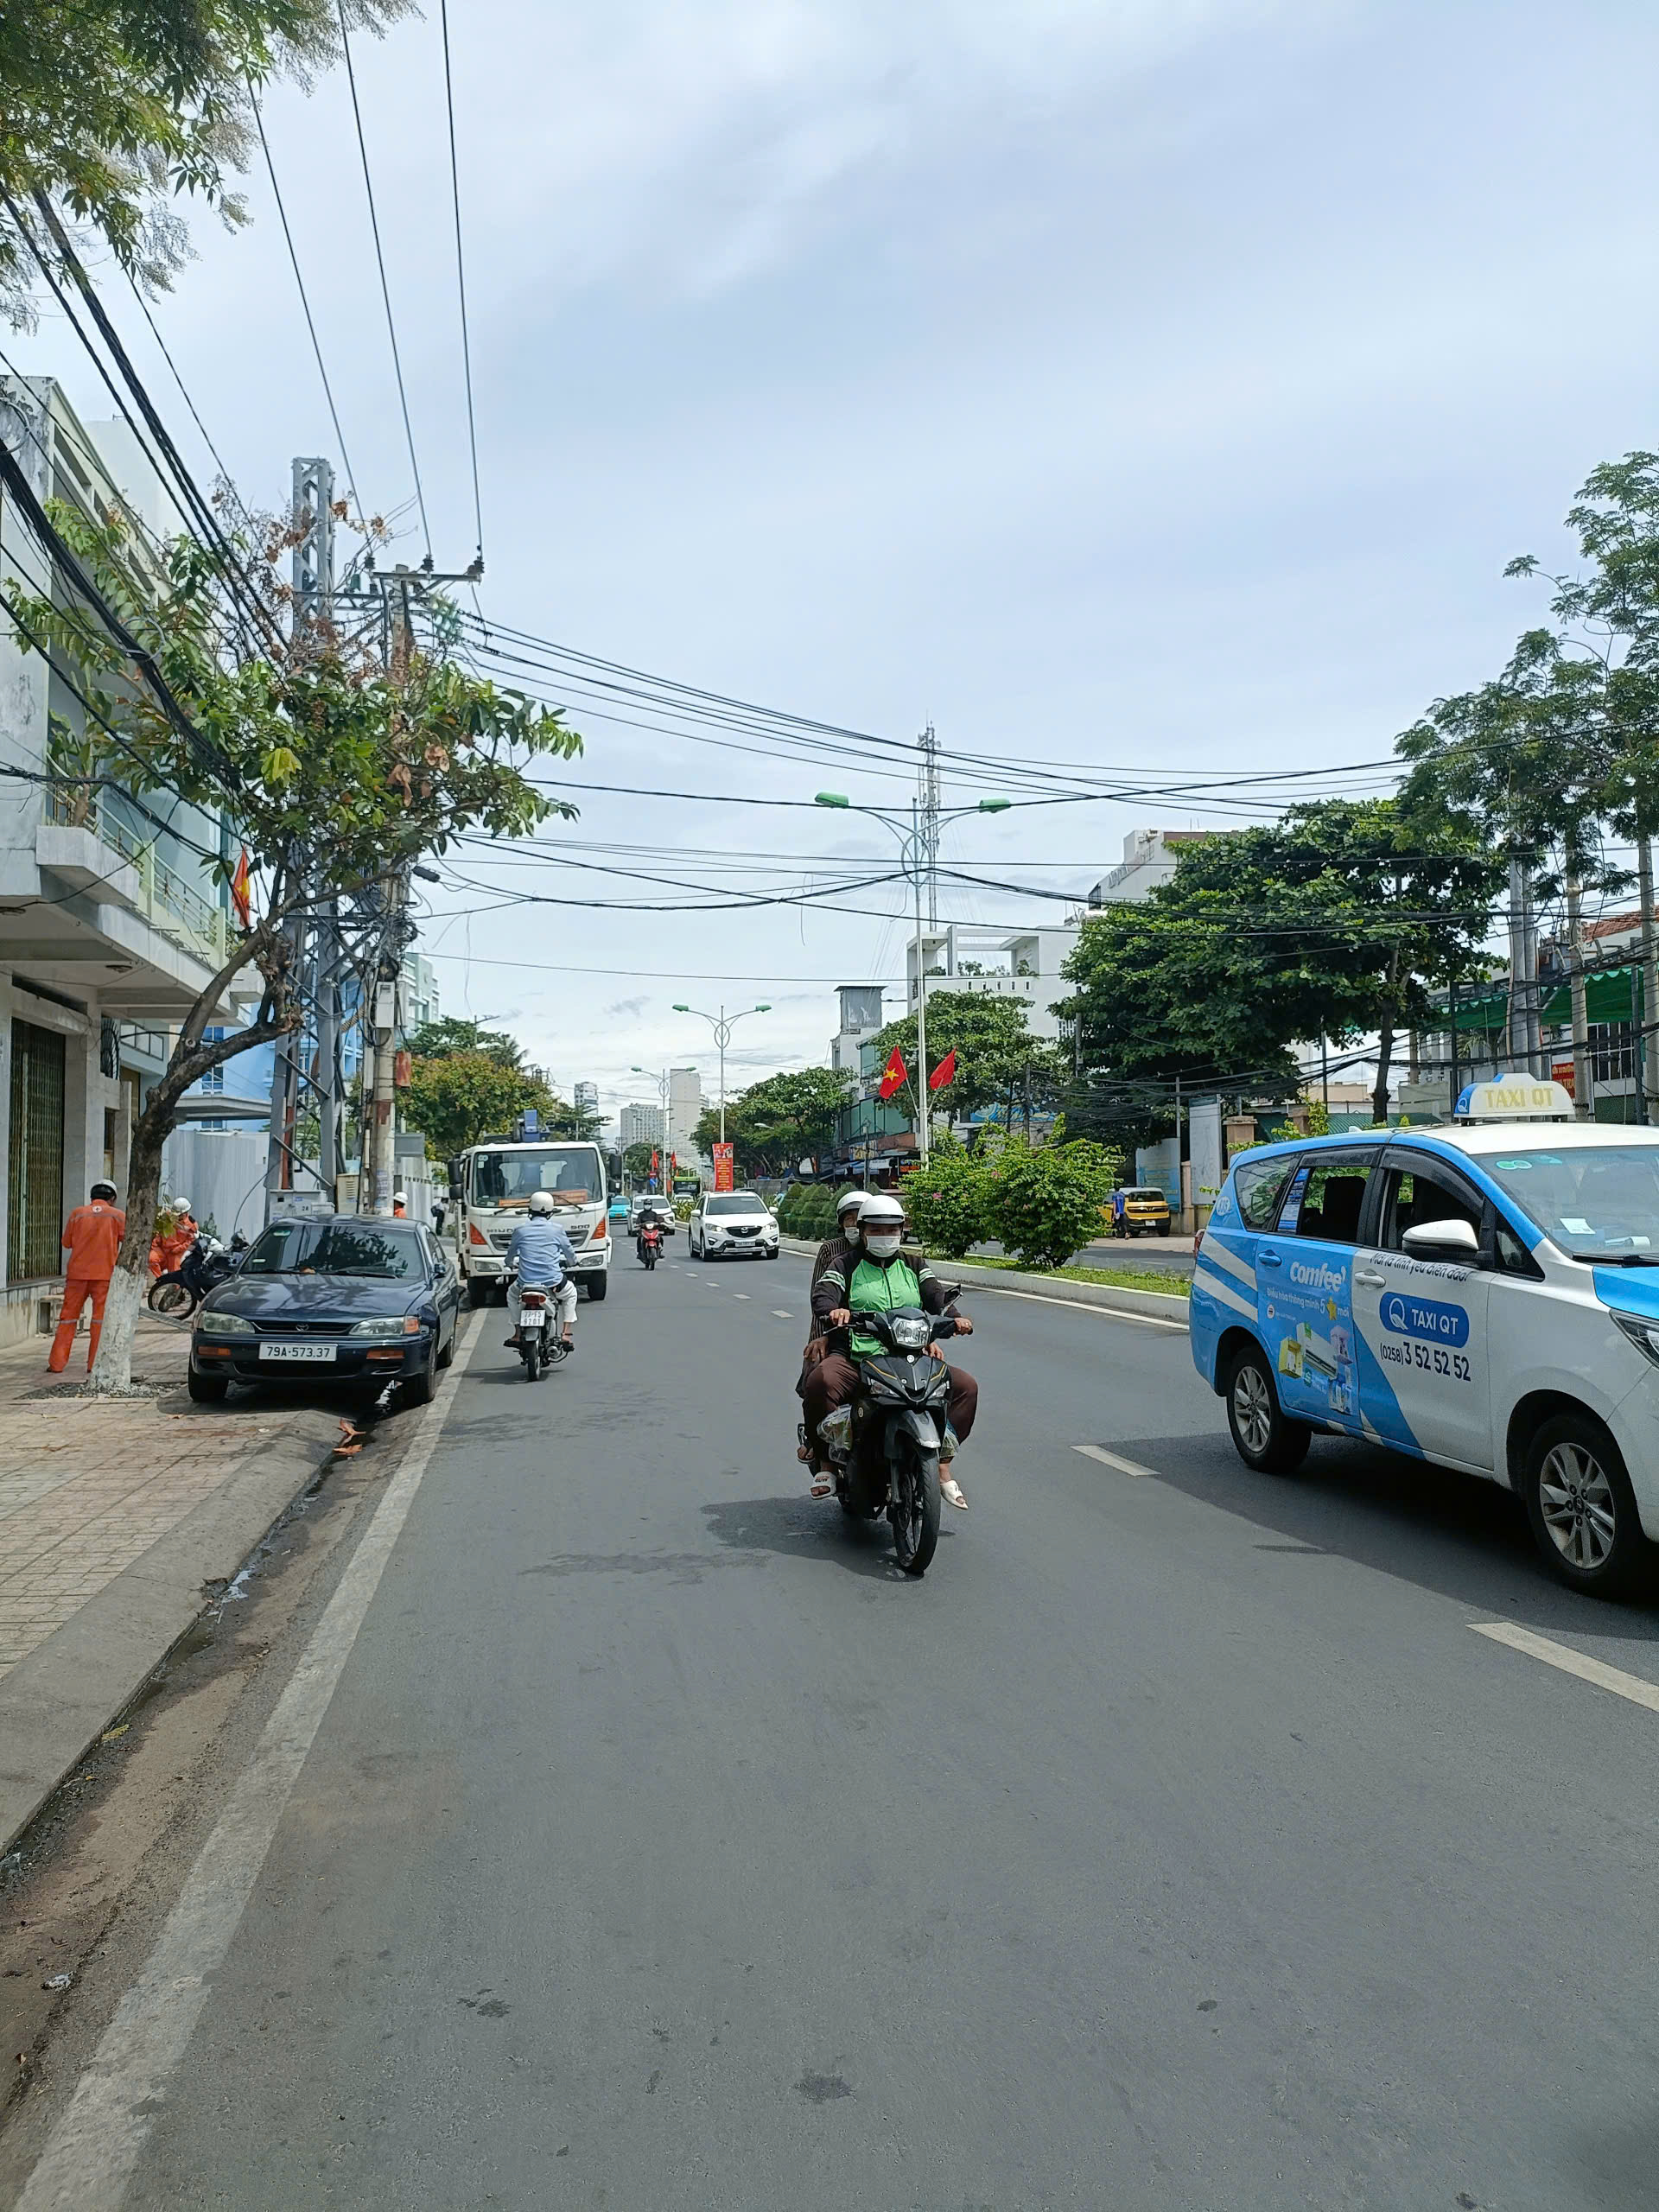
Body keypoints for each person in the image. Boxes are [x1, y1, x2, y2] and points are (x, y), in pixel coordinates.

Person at [803, 1191, 976, 1510]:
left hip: (908, 1355)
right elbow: (825, 1292)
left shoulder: (913, 1263)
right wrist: (833, 1311)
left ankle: (942, 1463)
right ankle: (827, 1464)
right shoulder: (845, 1263)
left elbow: (935, 1297)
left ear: (901, 1231)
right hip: (857, 1355)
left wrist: (955, 1319)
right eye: (877, 1231)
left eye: (891, 1230)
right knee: (821, 1381)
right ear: (864, 1232)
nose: (885, 1236)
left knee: (965, 1387)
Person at [48, 1179, 126, 1375]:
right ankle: (94, 1364)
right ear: (112, 1198)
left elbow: (66, 1243)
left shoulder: (77, 1215)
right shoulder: (117, 1216)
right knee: (99, 1321)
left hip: (77, 1275)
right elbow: (127, 1240)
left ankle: (57, 1364)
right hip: (104, 1275)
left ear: (92, 1197)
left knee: (67, 1319)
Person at [505, 1189, 578, 1351]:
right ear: (551, 1211)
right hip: (554, 1283)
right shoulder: (557, 1229)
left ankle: (517, 1332)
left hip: (525, 1284)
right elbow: (569, 1252)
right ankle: (566, 1333)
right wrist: (572, 1262)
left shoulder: (520, 1230)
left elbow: (510, 1254)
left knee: (511, 1294)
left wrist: (509, 1263)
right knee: (571, 1293)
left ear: (530, 1210)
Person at [148, 1198, 194, 1281]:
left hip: (175, 1254)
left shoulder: (191, 1225)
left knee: (175, 1277)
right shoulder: (167, 1217)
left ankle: (174, 1291)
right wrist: (155, 1244)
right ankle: (161, 1282)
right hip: (162, 1249)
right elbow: (160, 1231)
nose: (177, 1216)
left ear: (185, 1213)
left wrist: (179, 1249)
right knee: (152, 1259)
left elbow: (190, 1241)